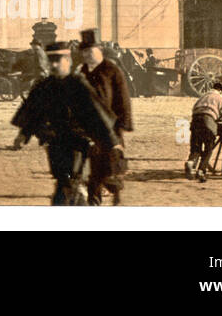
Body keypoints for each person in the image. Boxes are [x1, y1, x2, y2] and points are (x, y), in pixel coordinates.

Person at [11, 42, 118, 205]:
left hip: (78, 140)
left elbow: (97, 115)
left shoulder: (79, 84)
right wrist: (23, 134)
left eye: (58, 60)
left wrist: (111, 141)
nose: (53, 64)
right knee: (62, 180)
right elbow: (33, 112)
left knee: (71, 182)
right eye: (50, 60)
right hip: (55, 142)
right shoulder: (44, 85)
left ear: (67, 61)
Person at [78, 29, 134, 205]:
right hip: (90, 127)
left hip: (111, 125)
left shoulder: (112, 70)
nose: (87, 55)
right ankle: (94, 200)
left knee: (112, 164)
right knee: (93, 164)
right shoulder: (82, 72)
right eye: (84, 52)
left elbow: (123, 97)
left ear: (99, 50)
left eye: (90, 51)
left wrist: (124, 122)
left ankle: (115, 195)